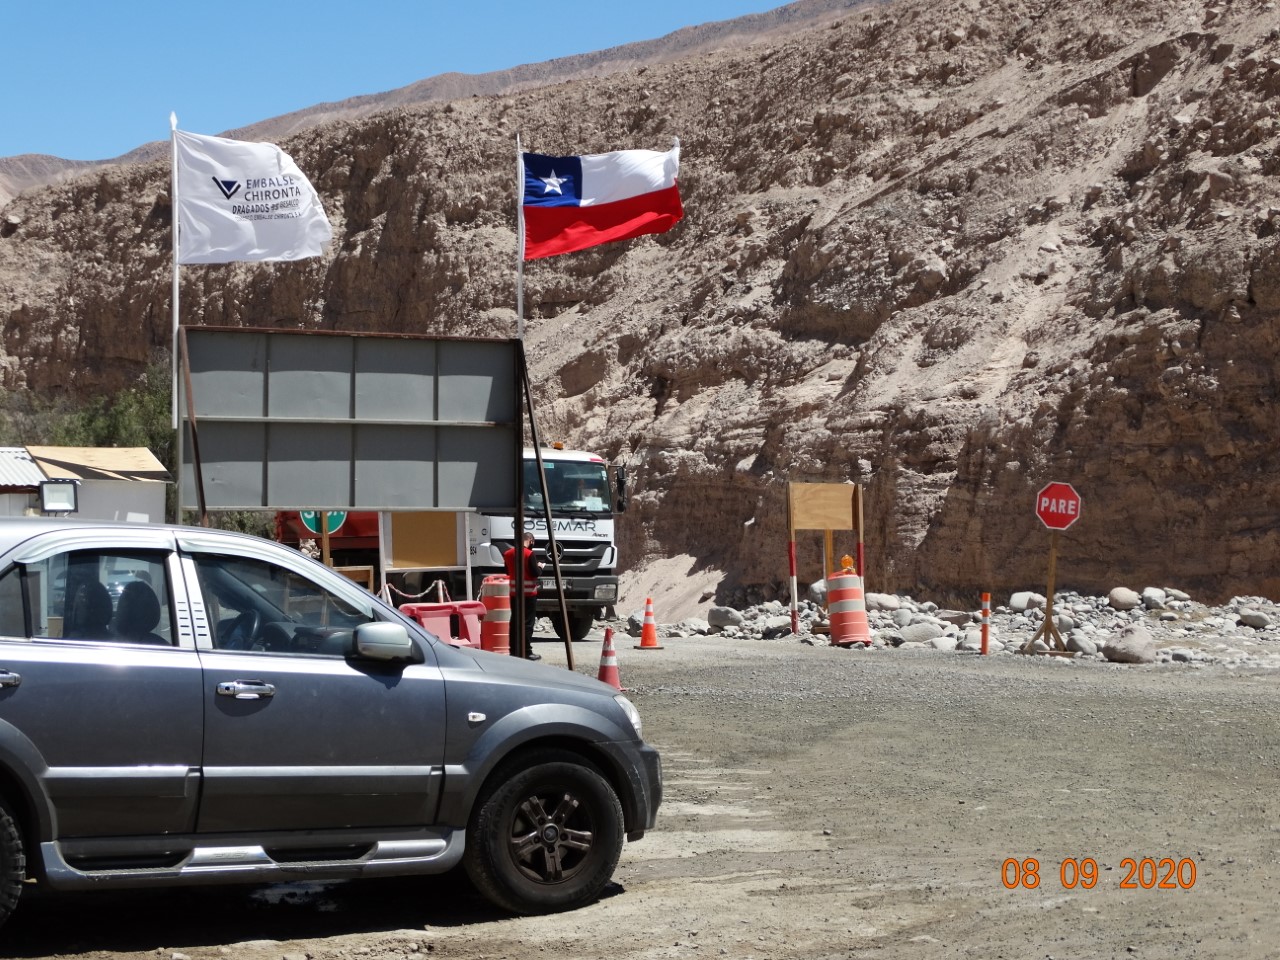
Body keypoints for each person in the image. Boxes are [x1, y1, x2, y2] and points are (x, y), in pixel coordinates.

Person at [503, 531, 542, 660]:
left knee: (514, 621)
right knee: (527, 624)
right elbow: (535, 573)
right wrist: (540, 567)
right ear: (530, 540)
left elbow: (507, 571)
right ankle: (527, 651)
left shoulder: (508, 554)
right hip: (529, 594)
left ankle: (513, 650)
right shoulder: (529, 554)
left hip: (514, 593)